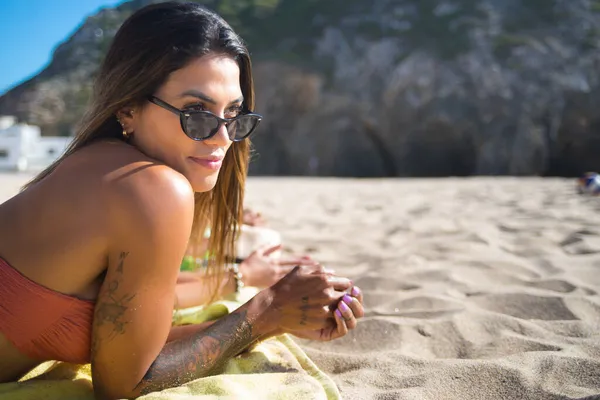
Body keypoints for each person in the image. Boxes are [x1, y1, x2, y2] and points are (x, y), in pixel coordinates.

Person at [0, 2, 364, 399]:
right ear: (128, 108)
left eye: (234, 115)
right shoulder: (150, 188)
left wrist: (279, 316)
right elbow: (124, 382)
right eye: (196, 112)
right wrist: (268, 309)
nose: (222, 138)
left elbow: (131, 342)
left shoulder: (99, 168)